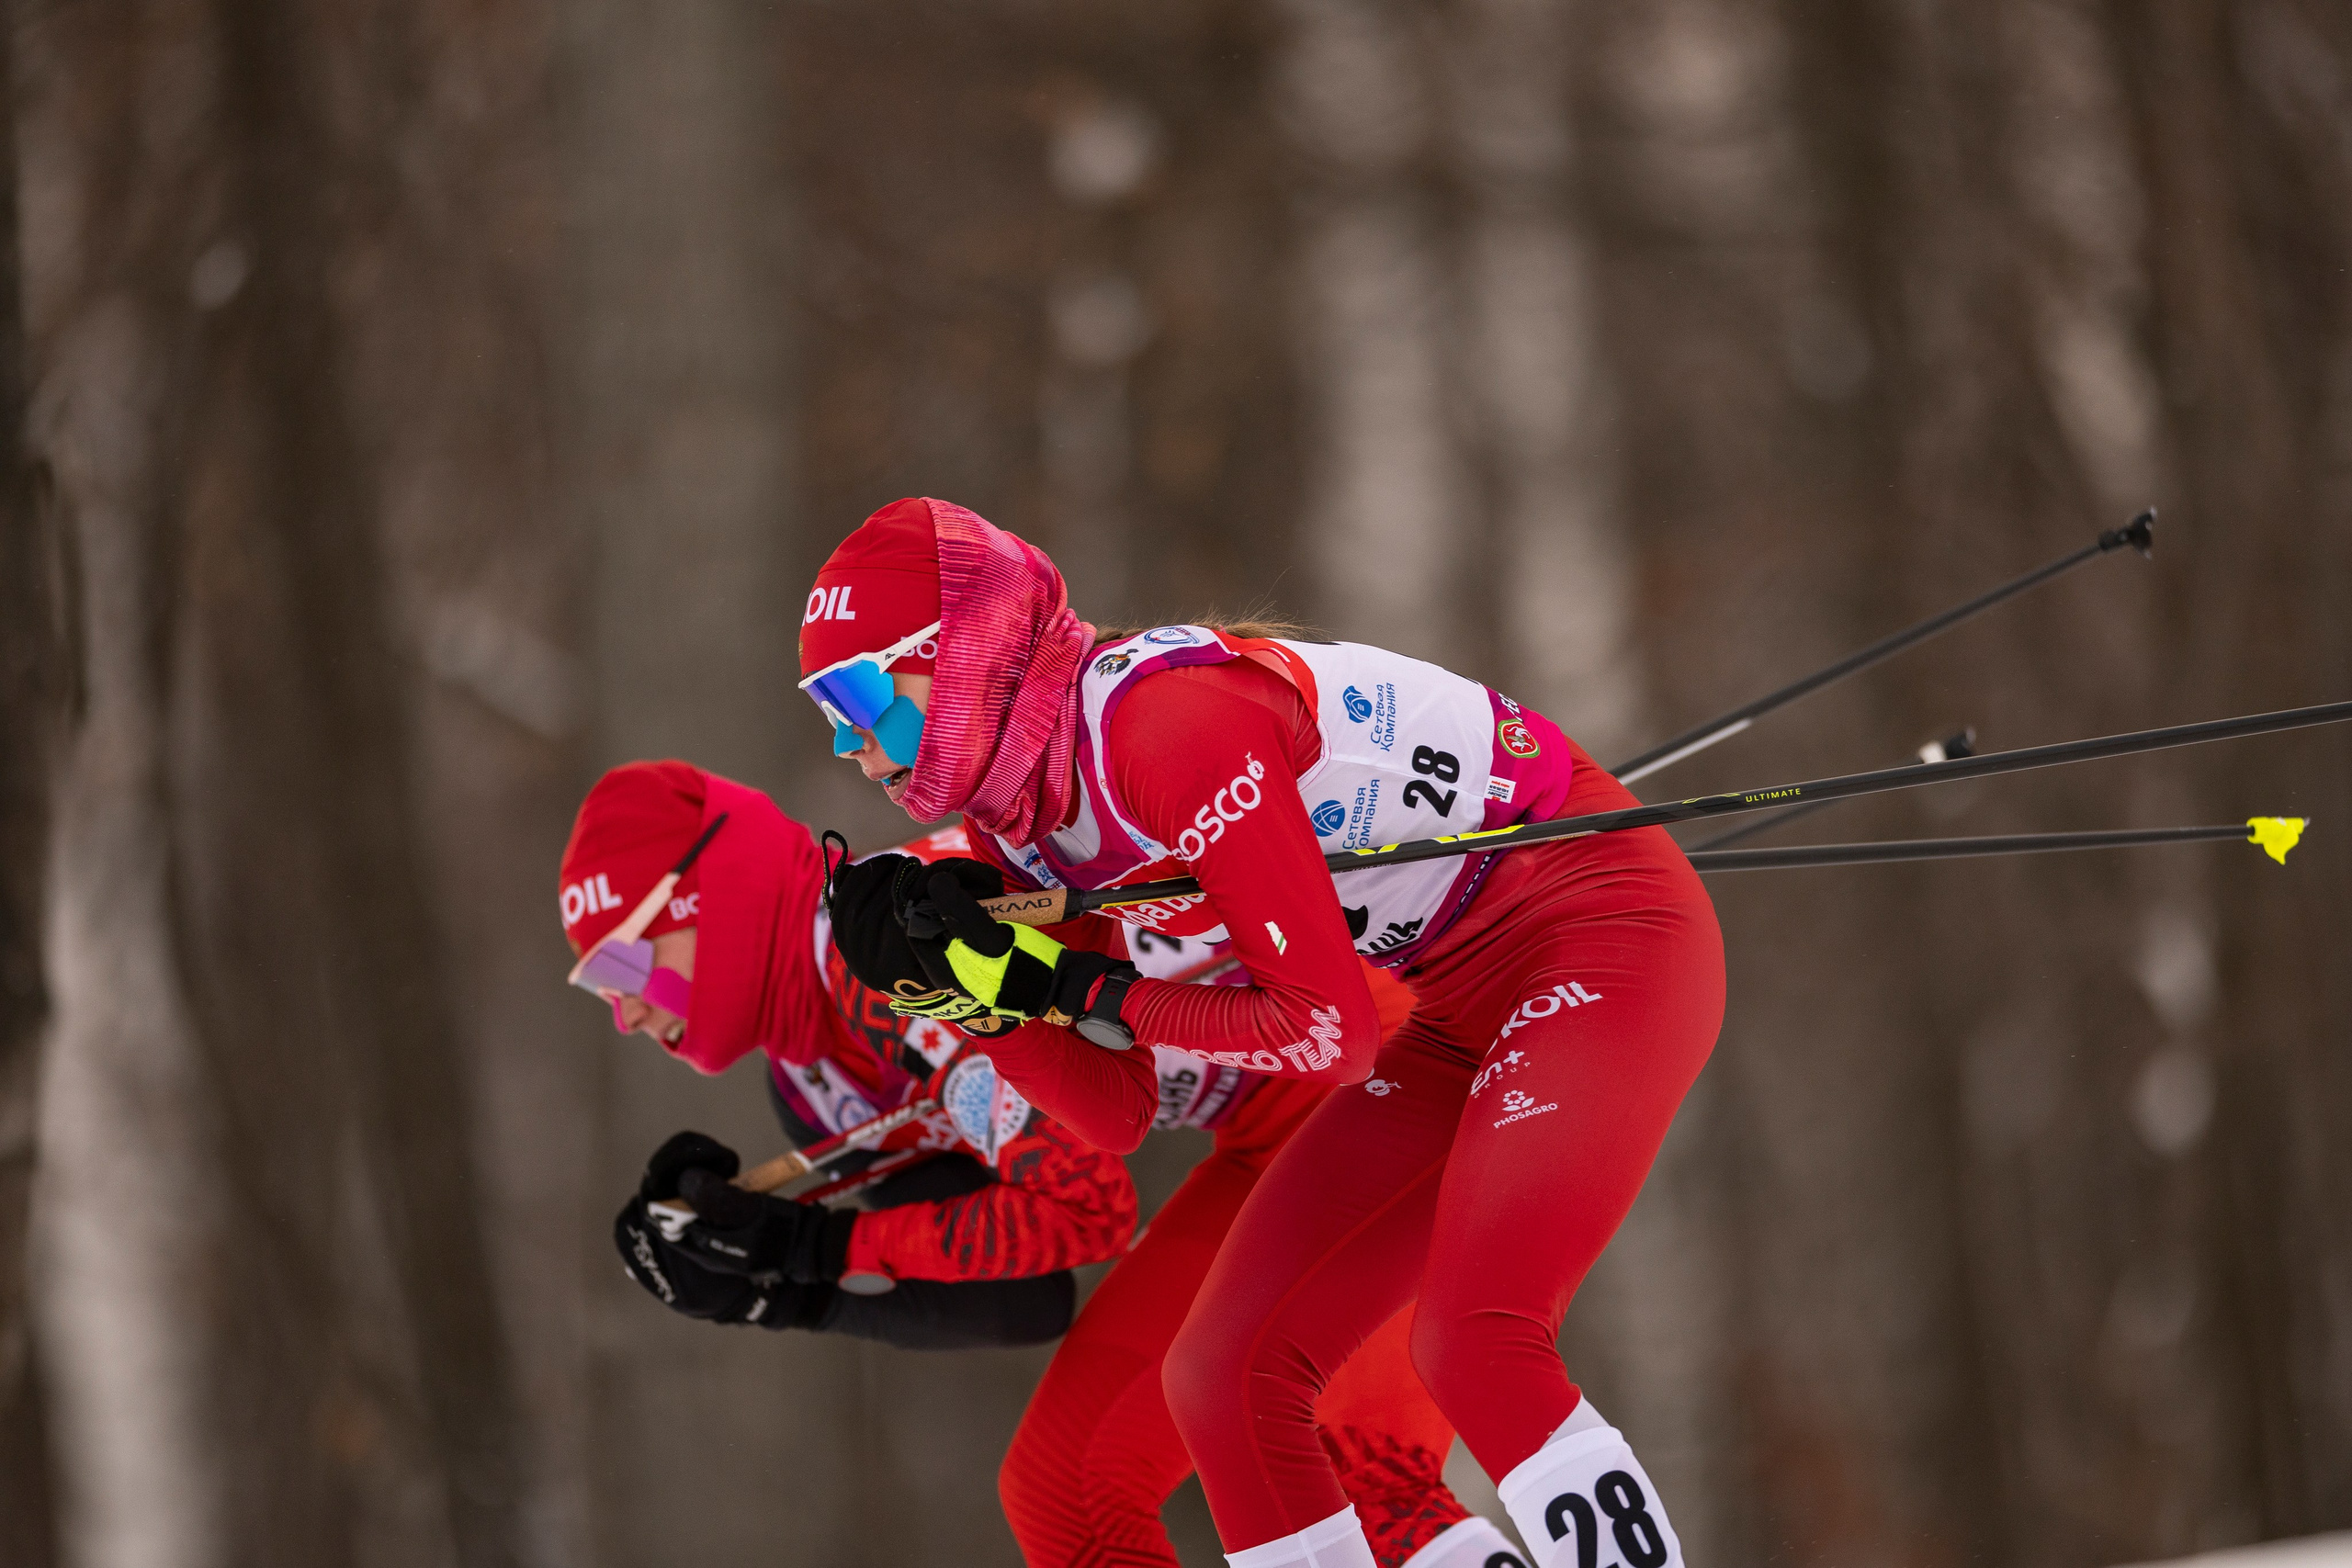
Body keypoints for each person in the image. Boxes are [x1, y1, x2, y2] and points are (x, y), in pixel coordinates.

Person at [804, 498, 1725, 1568]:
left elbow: (1327, 1035)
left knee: (1473, 1341)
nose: (845, 738)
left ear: (969, 658)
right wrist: (974, 1001)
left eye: (864, 692)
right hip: (1453, 1008)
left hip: (1597, 937)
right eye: (824, 707)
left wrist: (1071, 990)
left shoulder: (1162, 729)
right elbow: (1117, 1108)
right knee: (1223, 1378)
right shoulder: (1031, 817)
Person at [563, 761, 1526, 1568]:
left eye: (625, 967)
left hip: (1387, 1080)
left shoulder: (890, 956)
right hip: (1272, 1141)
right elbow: (1013, 1300)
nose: (628, 1014)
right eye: (598, 990)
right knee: (1069, 1490)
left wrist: (817, 1243)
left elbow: (1083, 1210)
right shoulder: (811, 1077)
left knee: (1363, 1476)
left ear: (709, 900)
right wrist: (780, 1289)